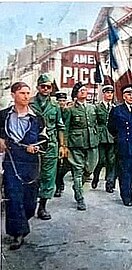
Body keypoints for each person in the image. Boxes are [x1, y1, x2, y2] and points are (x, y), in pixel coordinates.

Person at [0, 82, 46, 250]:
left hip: (31, 163)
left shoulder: (37, 117)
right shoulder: (3, 115)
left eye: (28, 93)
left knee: (29, 201)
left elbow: (45, 138)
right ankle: (17, 234)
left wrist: (37, 147)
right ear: (13, 95)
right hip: (11, 161)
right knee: (13, 196)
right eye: (22, 93)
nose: (26, 96)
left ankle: (22, 222)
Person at [30, 73, 66, 220]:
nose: (45, 89)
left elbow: (60, 126)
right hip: (33, 143)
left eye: (48, 87)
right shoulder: (30, 103)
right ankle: (30, 204)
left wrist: (62, 145)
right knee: (32, 175)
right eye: (43, 86)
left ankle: (42, 207)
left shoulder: (55, 106)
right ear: (38, 87)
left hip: (50, 144)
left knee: (48, 176)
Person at [107, 85, 132, 206]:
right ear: (124, 96)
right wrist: (119, 137)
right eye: (128, 94)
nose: (131, 97)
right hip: (123, 144)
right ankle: (126, 196)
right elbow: (111, 127)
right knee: (125, 172)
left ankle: (127, 187)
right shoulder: (117, 110)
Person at [64, 82, 99, 211]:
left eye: (85, 90)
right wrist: (65, 145)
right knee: (77, 170)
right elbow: (66, 128)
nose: (84, 92)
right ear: (76, 94)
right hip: (76, 143)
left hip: (92, 142)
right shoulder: (70, 109)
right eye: (81, 90)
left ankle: (77, 186)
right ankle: (80, 197)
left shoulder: (92, 107)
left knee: (90, 168)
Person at [91, 85, 117, 193]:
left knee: (111, 161)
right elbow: (93, 122)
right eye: (107, 93)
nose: (109, 95)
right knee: (101, 160)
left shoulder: (115, 108)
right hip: (101, 136)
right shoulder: (97, 107)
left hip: (111, 136)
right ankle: (96, 177)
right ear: (103, 94)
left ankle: (109, 183)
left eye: (111, 93)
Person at [54, 92, 71, 197]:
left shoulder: (68, 112)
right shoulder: (54, 110)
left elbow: (68, 127)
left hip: (67, 140)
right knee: (56, 165)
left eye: (64, 101)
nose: (62, 103)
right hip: (55, 140)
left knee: (66, 165)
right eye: (60, 101)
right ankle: (58, 185)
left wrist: (65, 143)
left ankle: (60, 181)